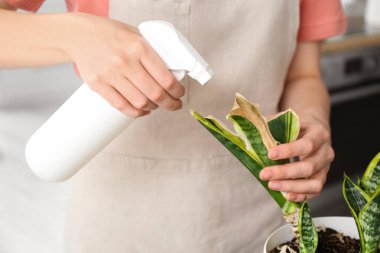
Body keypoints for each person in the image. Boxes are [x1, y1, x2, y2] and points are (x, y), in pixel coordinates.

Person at [0, 0, 345, 252]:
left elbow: (303, 74)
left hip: (257, 213)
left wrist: (311, 121)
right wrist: (75, 35)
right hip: (120, 217)